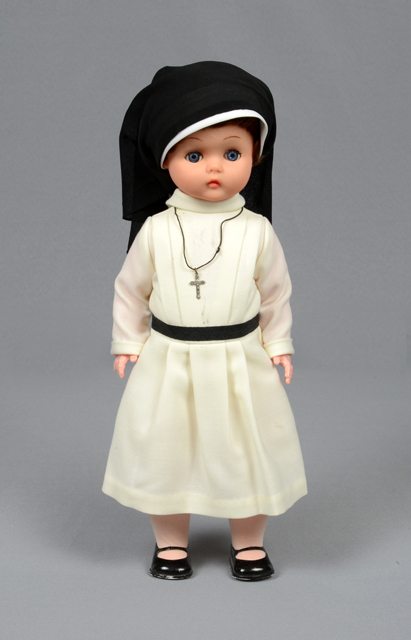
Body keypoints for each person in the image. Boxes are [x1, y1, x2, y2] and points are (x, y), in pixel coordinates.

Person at [102, 61, 307, 581]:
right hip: (170, 358)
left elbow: (275, 291)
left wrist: (279, 342)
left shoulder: (256, 230)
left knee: (248, 449)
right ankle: (171, 543)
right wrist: (128, 340)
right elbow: (131, 289)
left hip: (240, 359)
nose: (214, 168)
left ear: (256, 157)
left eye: (232, 153)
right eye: (195, 155)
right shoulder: (156, 230)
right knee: (167, 450)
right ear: (165, 160)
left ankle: (249, 543)